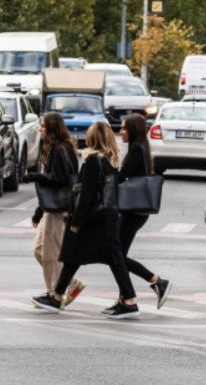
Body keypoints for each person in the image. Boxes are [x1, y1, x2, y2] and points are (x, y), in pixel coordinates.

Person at [31, 121, 140, 320]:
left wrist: (76, 221)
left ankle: (57, 297)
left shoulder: (92, 161)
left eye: (89, 133)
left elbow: (86, 194)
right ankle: (128, 300)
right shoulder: (111, 161)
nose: (86, 136)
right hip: (108, 216)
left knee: (75, 255)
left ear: (94, 138)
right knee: (98, 258)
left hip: (92, 219)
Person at [25, 112, 84, 305]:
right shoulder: (58, 148)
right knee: (39, 249)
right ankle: (70, 283)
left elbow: (59, 180)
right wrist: (39, 210)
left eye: (43, 126)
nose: (40, 129)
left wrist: (34, 176)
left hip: (59, 208)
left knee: (51, 252)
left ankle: (53, 294)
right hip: (51, 207)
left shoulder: (60, 149)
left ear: (52, 129)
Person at [114, 113, 171, 313]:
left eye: (124, 128)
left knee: (117, 256)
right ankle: (125, 298)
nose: (121, 132)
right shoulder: (140, 148)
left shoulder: (136, 150)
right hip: (135, 211)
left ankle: (156, 281)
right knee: (118, 256)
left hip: (132, 211)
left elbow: (120, 177)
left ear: (133, 130)